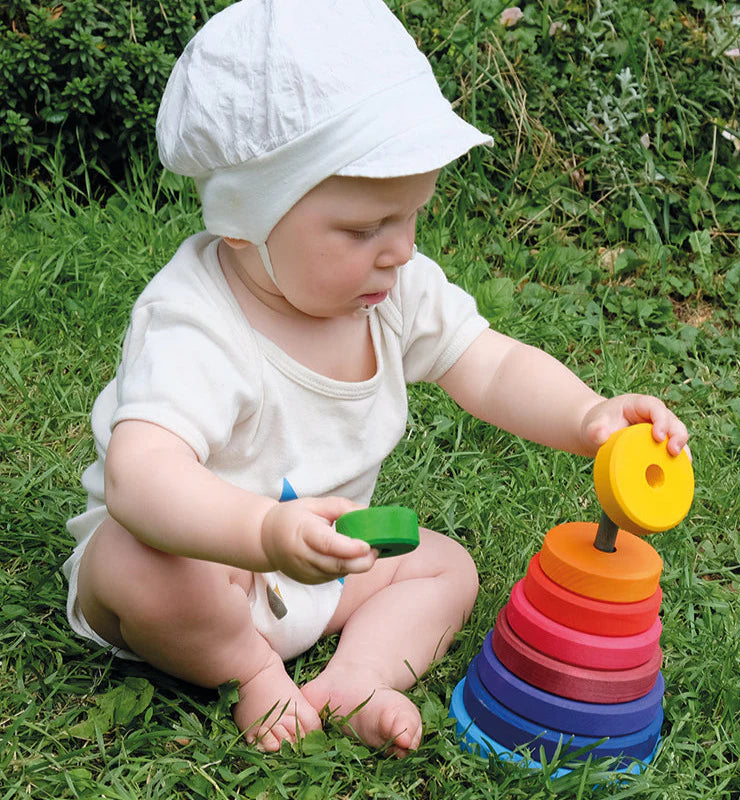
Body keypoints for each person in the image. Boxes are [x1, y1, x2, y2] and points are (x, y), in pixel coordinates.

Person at [63, 0, 689, 759]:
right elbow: (141, 478)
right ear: (243, 222)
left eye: (410, 216)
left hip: (327, 563)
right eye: (364, 230)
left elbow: (490, 365)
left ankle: (356, 679)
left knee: (446, 568)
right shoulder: (195, 322)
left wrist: (588, 416)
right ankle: (251, 671)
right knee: (131, 562)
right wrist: (260, 534)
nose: (399, 251)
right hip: (205, 568)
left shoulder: (392, 290)